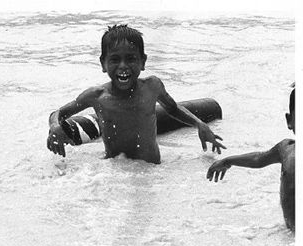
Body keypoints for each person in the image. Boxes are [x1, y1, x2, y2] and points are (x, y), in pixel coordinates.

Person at [46, 24, 224, 164]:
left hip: (152, 172)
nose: (123, 66)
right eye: (115, 59)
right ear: (103, 64)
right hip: (115, 170)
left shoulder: (152, 87)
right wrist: (55, 127)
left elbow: (173, 109)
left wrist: (199, 124)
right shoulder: (97, 96)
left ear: (143, 62)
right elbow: (58, 114)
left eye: (131, 58)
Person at [206, 87, 295, 231]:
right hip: (291, 234)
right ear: (289, 121)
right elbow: (258, 158)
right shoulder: (286, 148)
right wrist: (228, 161)